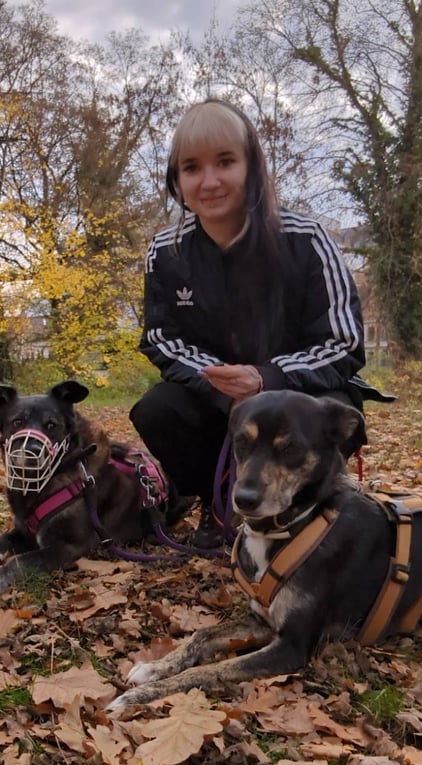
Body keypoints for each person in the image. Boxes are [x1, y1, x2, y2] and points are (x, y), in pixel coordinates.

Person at [130, 98, 382, 549]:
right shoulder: (166, 252)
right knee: (157, 408)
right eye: (191, 167)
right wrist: (218, 382)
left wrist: (266, 379)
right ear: (177, 179)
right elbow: (161, 338)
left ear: (252, 167)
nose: (209, 181)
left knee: (334, 410)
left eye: (225, 162)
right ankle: (218, 504)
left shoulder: (307, 239)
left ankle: (311, 508)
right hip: (215, 398)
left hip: (304, 393)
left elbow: (342, 340)